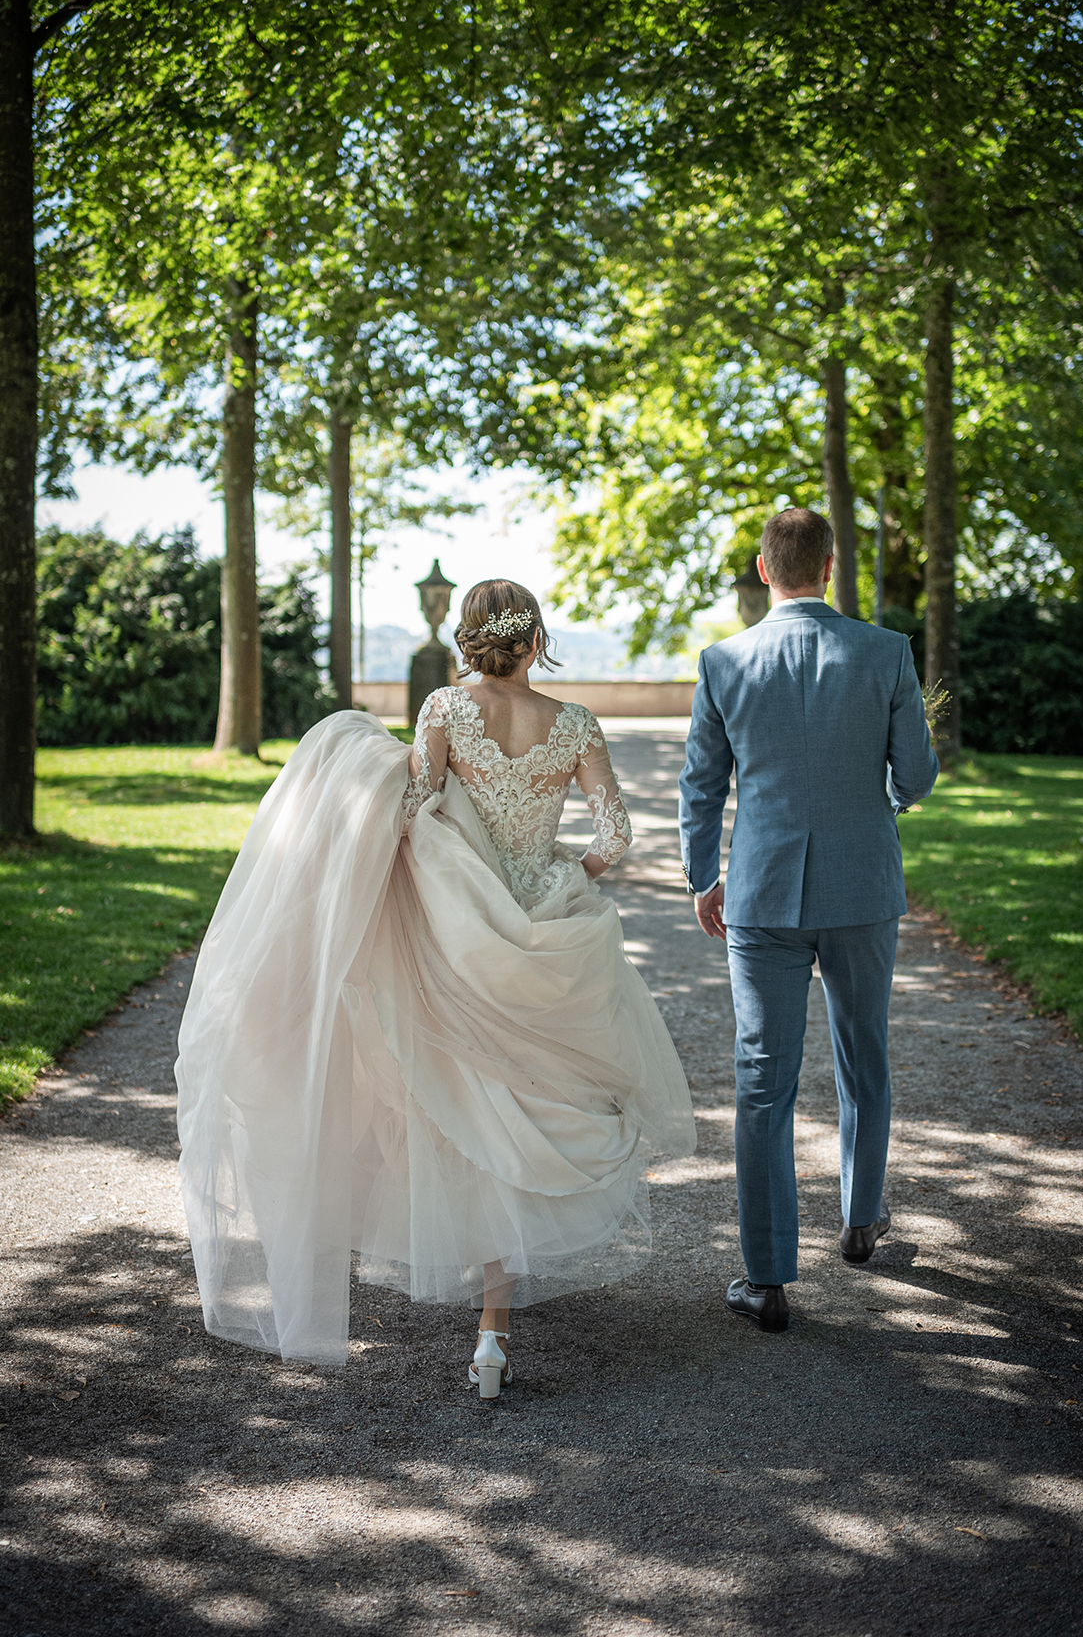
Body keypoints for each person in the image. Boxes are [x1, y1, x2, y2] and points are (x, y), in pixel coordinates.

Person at [175, 579, 694, 1397]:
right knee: (531, 1097)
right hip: (548, 926)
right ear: (534, 639)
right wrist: (569, 869)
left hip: (461, 929)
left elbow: (410, 804)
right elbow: (616, 833)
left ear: (471, 637)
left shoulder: (445, 713)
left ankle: (492, 1328)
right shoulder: (577, 724)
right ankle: (493, 1325)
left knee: (468, 1098)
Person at [678, 509, 939, 1333]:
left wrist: (703, 878)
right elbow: (918, 776)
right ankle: (861, 1222)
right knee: (865, 1054)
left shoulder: (723, 662)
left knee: (763, 1081)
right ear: (829, 568)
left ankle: (767, 1280)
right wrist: (879, 804)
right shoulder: (887, 651)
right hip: (864, 889)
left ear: (764, 569)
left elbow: (701, 787)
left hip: (760, 894)